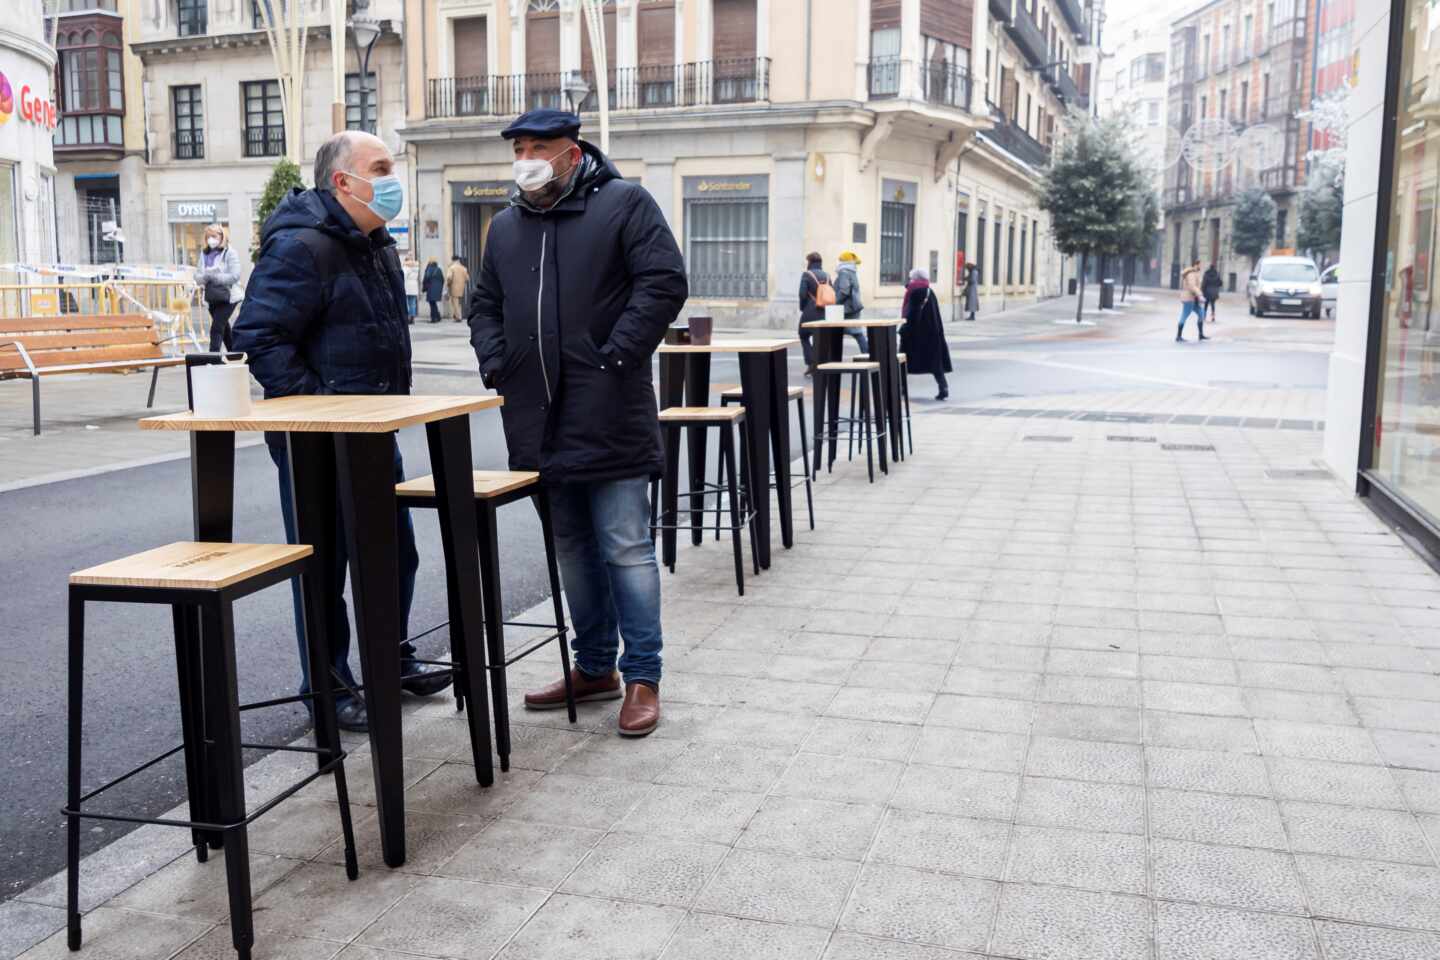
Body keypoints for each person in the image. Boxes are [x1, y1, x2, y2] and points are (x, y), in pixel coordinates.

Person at [468, 109, 687, 737]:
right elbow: (484, 304)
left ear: (572, 151)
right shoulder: (506, 227)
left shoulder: (624, 203)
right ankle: (594, 667)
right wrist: (497, 362)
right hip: (537, 416)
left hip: (611, 408)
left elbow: (664, 282)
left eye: (541, 146)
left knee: (624, 544)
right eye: (519, 148)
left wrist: (616, 354)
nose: (528, 157)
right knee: (570, 548)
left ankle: (642, 674)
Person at [232, 130, 452, 733]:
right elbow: (257, 336)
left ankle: (390, 658)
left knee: (394, 555)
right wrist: (320, 407)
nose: (392, 178)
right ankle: (327, 688)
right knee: (324, 566)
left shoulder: (372, 243)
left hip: (373, 429)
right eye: (380, 167)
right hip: (315, 438)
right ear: (343, 181)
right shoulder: (301, 246)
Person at [900, 267, 952, 400]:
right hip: (932, 332)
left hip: (916, 333)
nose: (910, 280)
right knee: (935, 363)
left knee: (903, 361)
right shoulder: (929, 290)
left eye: (911, 278)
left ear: (915, 279)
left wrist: (905, 328)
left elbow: (913, 313)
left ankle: (900, 389)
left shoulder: (915, 291)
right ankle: (943, 387)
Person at [198, 223, 242, 352]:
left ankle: (213, 359)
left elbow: (235, 275)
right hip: (212, 297)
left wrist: (215, 277)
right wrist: (204, 277)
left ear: (221, 236)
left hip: (229, 296)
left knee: (216, 327)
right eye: (208, 237)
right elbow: (198, 275)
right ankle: (235, 356)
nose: (210, 239)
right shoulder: (204, 254)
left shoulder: (230, 253)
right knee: (224, 329)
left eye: (213, 236)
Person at [797, 251, 833, 375]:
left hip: (810, 311)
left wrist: (803, 308)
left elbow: (802, 294)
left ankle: (812, 362)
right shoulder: (827, 276)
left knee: (803, 334)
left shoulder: (807, 275)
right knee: (821, 337)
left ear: (810, 262)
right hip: (825, 312)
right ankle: (822, 363)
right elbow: (831, 293)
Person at [833, 250, 871, 355]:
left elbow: (844, 291)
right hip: (852, 307)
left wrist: (834, 303)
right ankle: (868, 354)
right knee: (856, 332)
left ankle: (867, 354)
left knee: (855, 332)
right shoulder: (851, 272)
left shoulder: (844, 272)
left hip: (846, 309)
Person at [1177, 258, 1208, 342]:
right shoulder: (1191, 274)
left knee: (1201, 313)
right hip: (1189, 298)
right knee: (1184, 315)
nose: (1202, 266)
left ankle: (1201, 335)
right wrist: (1200, 295)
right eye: (1201, 264)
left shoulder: (1195, 273)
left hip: (1194, 298)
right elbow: (1192, 286)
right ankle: (1178, 336)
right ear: (1196, 264)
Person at [445, 255, 470, 323]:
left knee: (455, 302)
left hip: (453, 287)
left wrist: (448, 284)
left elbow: (449, 277)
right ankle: (456, 315)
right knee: (459, 303)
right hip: (461, 288)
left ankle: (458, 317)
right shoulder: (463, 268)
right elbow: (467, 278)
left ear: (453, 260)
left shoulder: (451, 268)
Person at [422, 257, 445, 323]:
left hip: (431, 288)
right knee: (433, 303)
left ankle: (433, 318)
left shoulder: (429, 269)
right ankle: (437, 316)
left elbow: (426, 279)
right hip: (437, 289)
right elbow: (442, 279)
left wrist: (424, 288)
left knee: (432, 303)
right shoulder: (439, 269)